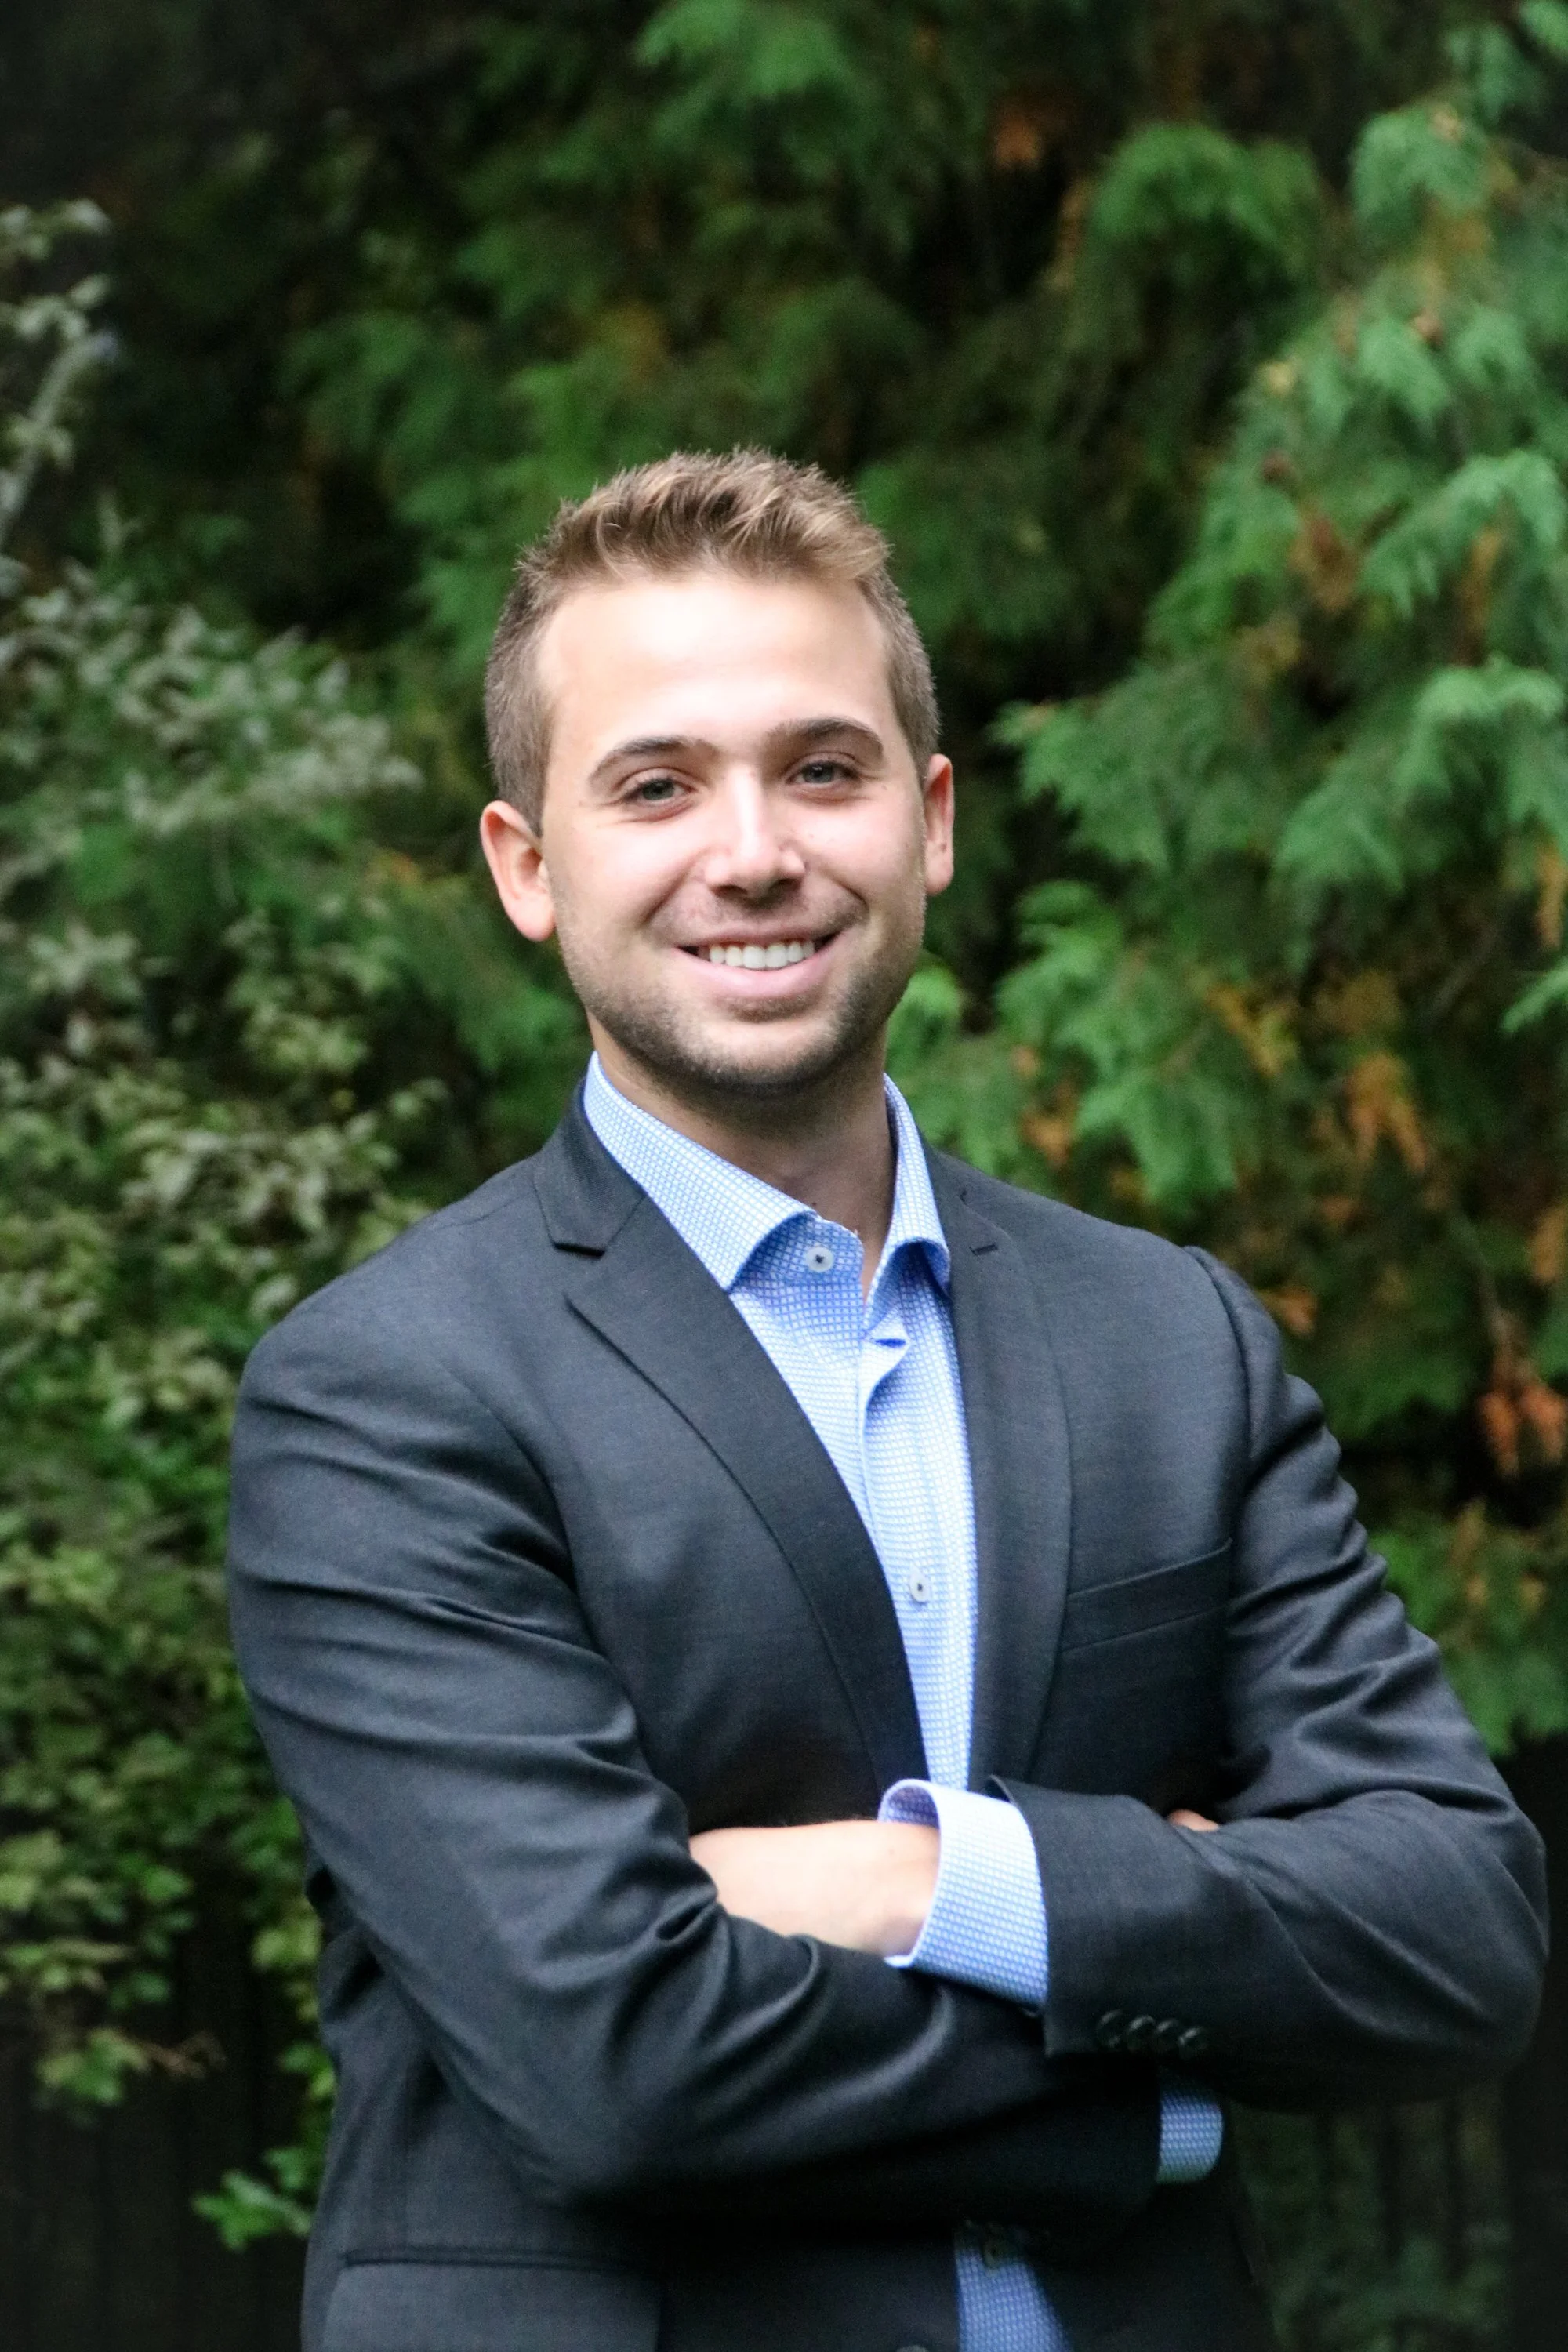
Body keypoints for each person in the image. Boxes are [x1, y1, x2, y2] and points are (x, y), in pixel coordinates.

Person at [227, 450, 1548, 2352]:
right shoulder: (385, 1392)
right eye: (657, 784)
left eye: (821, 769)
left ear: (928, 822)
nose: (752, 848)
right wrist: (1159, 2081)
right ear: (529, 866)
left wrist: (929, 1879)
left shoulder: (1170, 1339)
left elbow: (1453, 1935)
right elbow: (616, 2059)